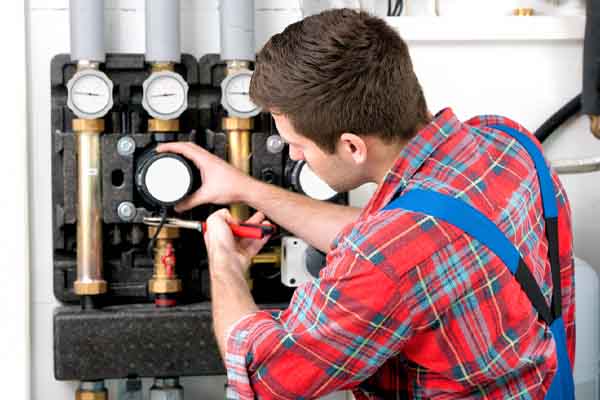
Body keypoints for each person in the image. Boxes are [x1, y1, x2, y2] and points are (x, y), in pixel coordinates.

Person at [158, 8, 575, 400]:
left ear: (353, 146)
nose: (296, 157)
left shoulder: (388, 255)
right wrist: (245, 189)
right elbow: (408, 237)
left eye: (297, 146)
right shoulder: (507, 143)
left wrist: (224, 265)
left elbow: (265, 374)